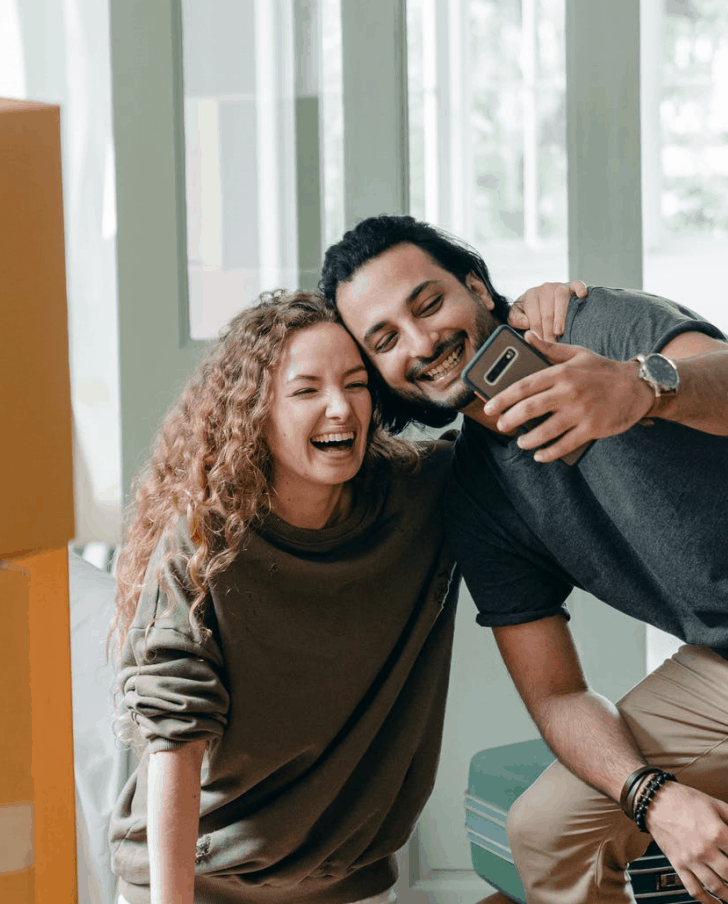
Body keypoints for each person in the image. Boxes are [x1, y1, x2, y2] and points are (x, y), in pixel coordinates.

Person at [319, 215, 728, 904]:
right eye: (384, 339)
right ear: (376, 373)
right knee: (549, 832)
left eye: (429, 303)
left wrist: (642, 388)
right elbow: (557, 694)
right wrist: (654, 797)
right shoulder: (476, 495)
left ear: (476, 288)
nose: (422, 341)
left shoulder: (594, 328)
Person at [106, 286, 577, 904]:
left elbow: (528, 423)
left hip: (347, 884)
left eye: (356, 384)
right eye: (306, 391)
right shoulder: (204, 540)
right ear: (254, 411)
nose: (341, 409)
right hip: (195, 880)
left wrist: (536, 310)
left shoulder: (423, 495)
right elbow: (174, 738)